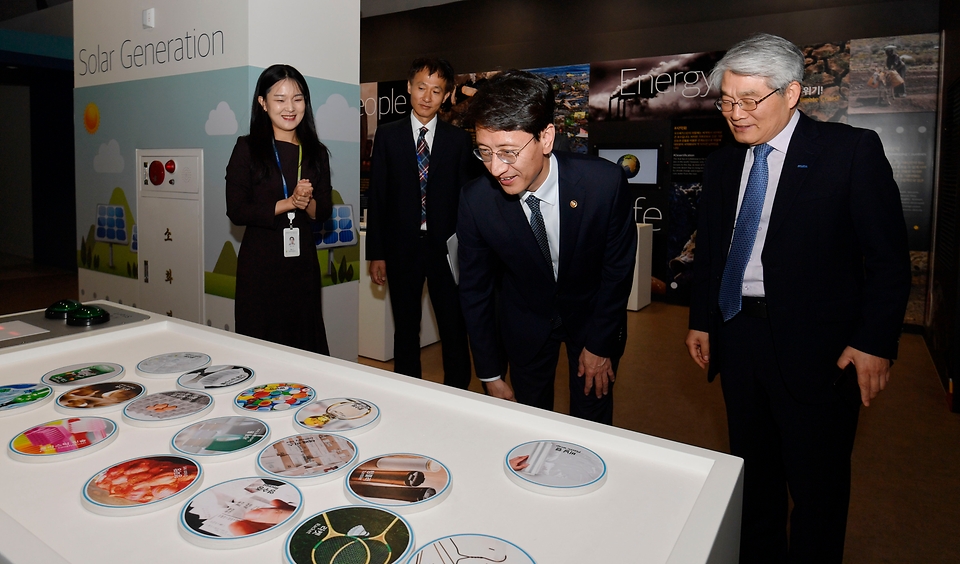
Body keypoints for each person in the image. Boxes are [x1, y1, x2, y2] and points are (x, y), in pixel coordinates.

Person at [685, 34, 910, 563]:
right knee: (754, 477)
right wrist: (702, 320)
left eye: (748, 100)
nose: (734, 113)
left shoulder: (849, 151)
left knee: (818, 487)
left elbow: (887, 259)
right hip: (738, 337)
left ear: (792, 93)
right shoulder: (722, 166)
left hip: (821, 350)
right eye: (725, 100)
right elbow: (713, 251)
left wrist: (875, 341)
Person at [457, 70, 637, 424]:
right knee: (529, 421)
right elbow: (474, 291)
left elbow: (616, 272)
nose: (496, 168)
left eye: (508, 153)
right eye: (485, 153)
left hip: (592, 319)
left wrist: (600, 345)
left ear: (546, 138)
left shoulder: (603, 184)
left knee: (591, 419)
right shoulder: (476, 200)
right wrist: (490, 373)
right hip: (525, 323)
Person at [365, 58, 477, 388]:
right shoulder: (388, 135)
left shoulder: (458, 141)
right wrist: (377, 252)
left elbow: (465, 201)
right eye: (421, 88)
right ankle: (407, 391)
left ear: (447, 95)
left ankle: (459, 394)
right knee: (406, 328)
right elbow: (379, 197)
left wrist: (469, 252)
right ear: (409, 88)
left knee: (454, 326)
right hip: (401, 249)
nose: (427, 97)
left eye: (436, 90)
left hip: (446, 250)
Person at [226, 64, 332, 355]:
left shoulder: (316, 151)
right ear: (263, 102)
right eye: (280, 99)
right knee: (261, 348)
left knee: (305, 346)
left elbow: (322, 212)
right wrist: (288, 203)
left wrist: (306, 202)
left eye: (297, 99)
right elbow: (237, 210)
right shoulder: (247, 149)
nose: (290, 107)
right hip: (260, 266)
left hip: (302, 267)